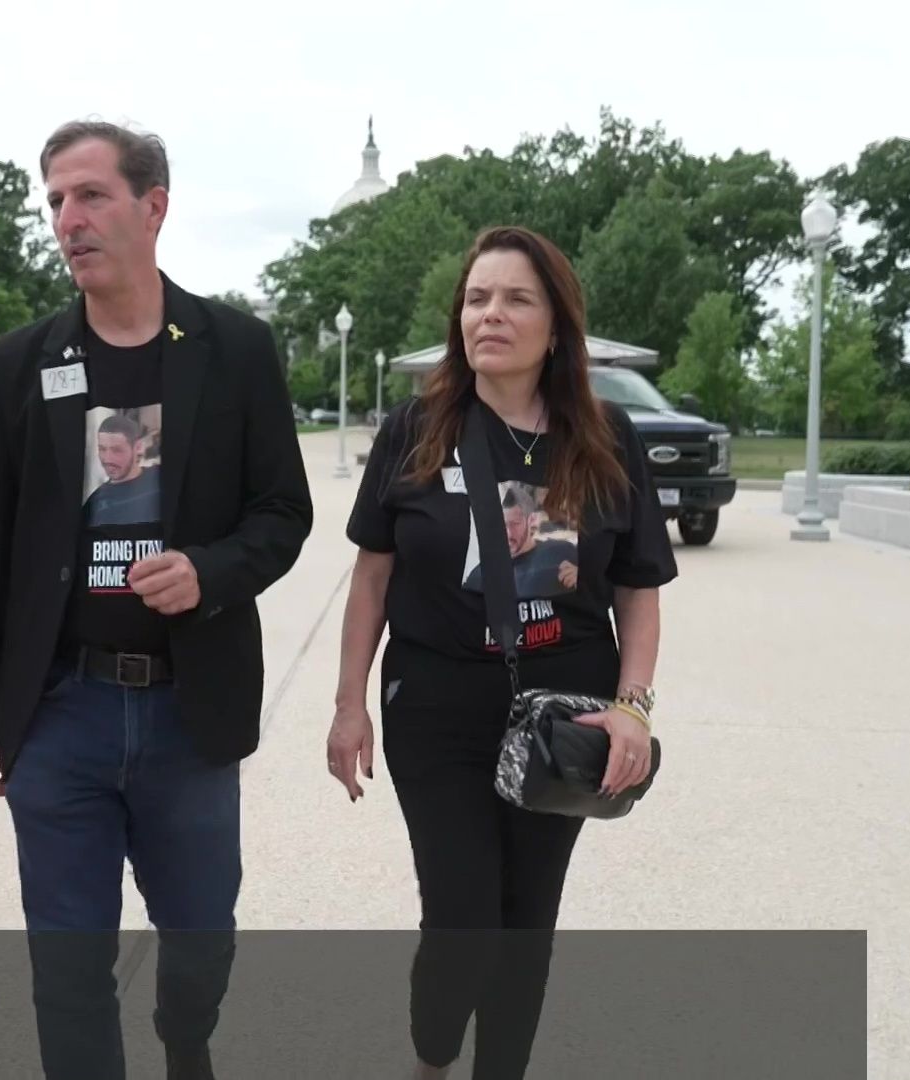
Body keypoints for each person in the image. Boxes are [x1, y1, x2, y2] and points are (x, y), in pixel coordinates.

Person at [0, 119, 313, 1080]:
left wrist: (210, 572)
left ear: (154, 207)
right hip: (58, 710)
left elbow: (284, 511)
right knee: (68, 971)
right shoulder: (17, 365)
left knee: (201, 943)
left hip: (188, 712)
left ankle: (185, 1040)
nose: (68, 219)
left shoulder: (235, 348)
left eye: (91, 195)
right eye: (55, 201)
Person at [327, 225, 677, 1079]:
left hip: (565, 720)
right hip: (436, 711)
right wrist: (347, 704)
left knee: (525, 927)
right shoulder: (415, 430)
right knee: (464, 922)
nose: (492, 314)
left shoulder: (608, 437)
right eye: (478, 298)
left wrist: (632, 708)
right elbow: (372, 577)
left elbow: (638, 589)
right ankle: (434, 1054)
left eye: (517, 299)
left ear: (556, 327)